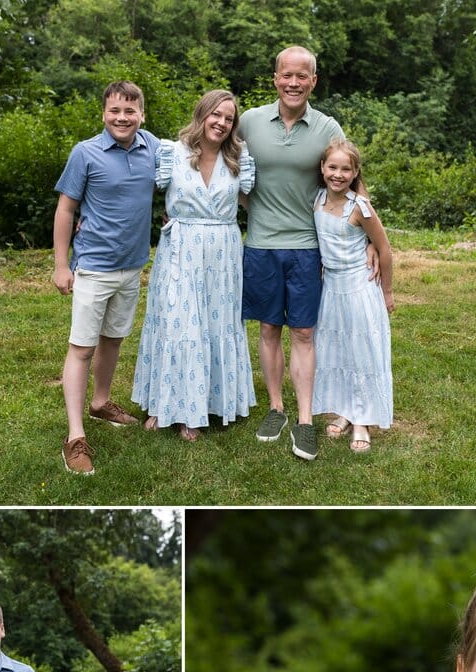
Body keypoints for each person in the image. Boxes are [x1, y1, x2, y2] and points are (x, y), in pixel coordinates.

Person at [238, 46, 347, 462]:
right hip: (261, 244)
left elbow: (350, 175)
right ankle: (276, 409)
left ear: (313, 81)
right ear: (275, 78)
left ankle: (304, 421)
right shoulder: (248, 121)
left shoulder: (326, 127)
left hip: (307, 246)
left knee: (303, 332)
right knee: (268, 328)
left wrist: (372, 238)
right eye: (287, 75)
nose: (294, 83)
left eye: (303, 76)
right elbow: (218, 160)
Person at [132, 90, 256, 441]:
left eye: (229, 118)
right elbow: (132, 189)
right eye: (216, 114)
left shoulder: (240, 158)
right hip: (180, 247)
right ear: (201, 114)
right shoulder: (172, 153)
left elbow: (260, 202)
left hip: (222, 251)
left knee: (215, 323)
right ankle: (164, 404)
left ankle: (201, 406)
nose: (221, 123)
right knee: (177, 322)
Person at [53, 80, 159, 475]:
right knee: (82, 347)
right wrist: (61, 265)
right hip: (93, 267)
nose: (122, 118)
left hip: (132, 266)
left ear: (142, 115)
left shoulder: (153, 149)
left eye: (130, 111)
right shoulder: (86, 153)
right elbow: (66, 210)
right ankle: (75, 437)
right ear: (104, 113)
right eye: (115, 111)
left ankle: (100, 403)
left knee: (113, 338)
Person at [311, 140, 394, 453]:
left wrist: (386, 290)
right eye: (332, 167)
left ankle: (363, 420)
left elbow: (383, 248)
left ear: (356, 172)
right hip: (331, 288)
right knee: (339, 348)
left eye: (346, 169)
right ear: (322, 168)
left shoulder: (359, 207)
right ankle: (346, 410)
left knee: (362, 351)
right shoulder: (317, 200)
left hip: (359, 286)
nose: (338, 174)